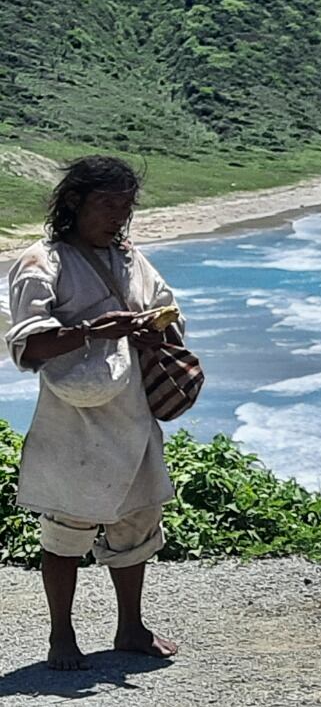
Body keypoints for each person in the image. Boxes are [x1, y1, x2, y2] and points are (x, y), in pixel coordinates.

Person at [5, 157, 181, 671]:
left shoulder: (132, 258)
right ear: (75, 202)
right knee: (66, 527)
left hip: (133, 410)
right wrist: (92, 331)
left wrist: (156, 330)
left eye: (126, 206)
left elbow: (168, 310)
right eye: (107, 204)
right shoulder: (43, 263)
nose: (118, 216)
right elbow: (29, 347)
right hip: (74, 421)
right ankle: (62, 635)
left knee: (138, 519)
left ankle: (130, 627)